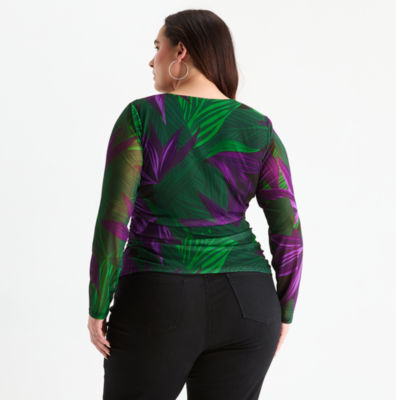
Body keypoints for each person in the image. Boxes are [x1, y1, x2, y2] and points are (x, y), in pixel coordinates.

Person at [87, 9, 303, 400]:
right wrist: (284, 310)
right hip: (248, 304)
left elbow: (114, 221)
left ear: (180, 51)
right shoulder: (258, 128)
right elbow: (288, 230)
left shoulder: (142, 117)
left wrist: (98, 306)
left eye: (158, 46)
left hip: (157, 297)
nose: (152, 60)